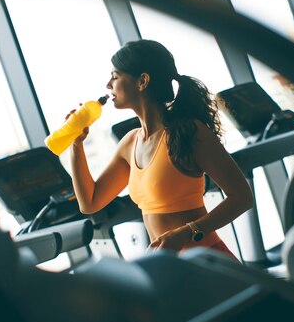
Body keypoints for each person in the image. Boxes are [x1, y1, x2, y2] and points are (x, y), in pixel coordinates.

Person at [68, 39, 253, 260]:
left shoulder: (189, 131)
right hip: (169, 265)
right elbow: (90, 203)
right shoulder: (129, 143)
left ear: (142, 81)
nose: (108, 85)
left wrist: (186, 233)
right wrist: (76, 145)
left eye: (115, 77)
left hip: (205, 259)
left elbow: (242, 197)